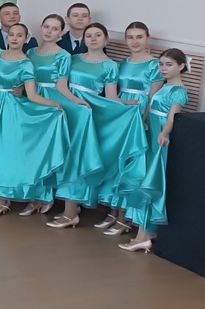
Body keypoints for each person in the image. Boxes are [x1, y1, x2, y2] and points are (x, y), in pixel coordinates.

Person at [45, 23, 146, 229]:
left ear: (106, 39)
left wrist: (128, 105)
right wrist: (72, 102)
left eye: (98, 35)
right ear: (84, 39)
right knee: (64, 155)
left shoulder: (110, 66)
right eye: (89, 35)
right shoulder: (73, 58)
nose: (93, 38)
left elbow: (111, 97)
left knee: (78, 158)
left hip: (86, 112)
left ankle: (71, 212)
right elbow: (61, 85)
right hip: (69, 108)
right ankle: (67, 208)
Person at [0, 24, 68, 216]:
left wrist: (54, 105)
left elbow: (32, 95)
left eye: (20, 35)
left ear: (26, 39)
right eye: (12, 34)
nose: (14, 38)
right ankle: (1, 197)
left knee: (6, 152)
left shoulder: (26, 63)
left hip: (10, 109)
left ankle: (3, 199)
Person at [25, 15, 104, 217]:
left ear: (61, 33)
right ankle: (34, 195)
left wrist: (76, 102)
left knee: (49, 148)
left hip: (52, 99)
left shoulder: (64, 56)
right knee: (33, 148)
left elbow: (62, 86)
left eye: (54, 28)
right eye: (46, 26)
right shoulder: (30, 52)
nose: (49, 31)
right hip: (31, 99)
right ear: (40, 27)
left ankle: (46, 196)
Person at [119, 49, 190, 253]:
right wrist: (143, 121)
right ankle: (147, 233)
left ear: (181, 67)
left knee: (150, 182)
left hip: (159, 139)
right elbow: (151, 108)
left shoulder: (178, 91)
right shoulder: (165, 87)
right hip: (151, 134)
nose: (163, 68)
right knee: (144, 178)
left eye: (169, 64)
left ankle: (143, 236)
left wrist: (164, 133)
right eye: (161, 64)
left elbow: (172, 118)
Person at [97, 22, 164, 234]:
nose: (135, 41)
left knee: (131, 163)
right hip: (122, 112)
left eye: (139, 37)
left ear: (148, 38)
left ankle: (125, 217)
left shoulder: (154, 65)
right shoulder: (122, 63)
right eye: (130, 37)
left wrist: (143, 118)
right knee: (118, 161)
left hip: (139, 111)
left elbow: (153, 97)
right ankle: (114, 210)